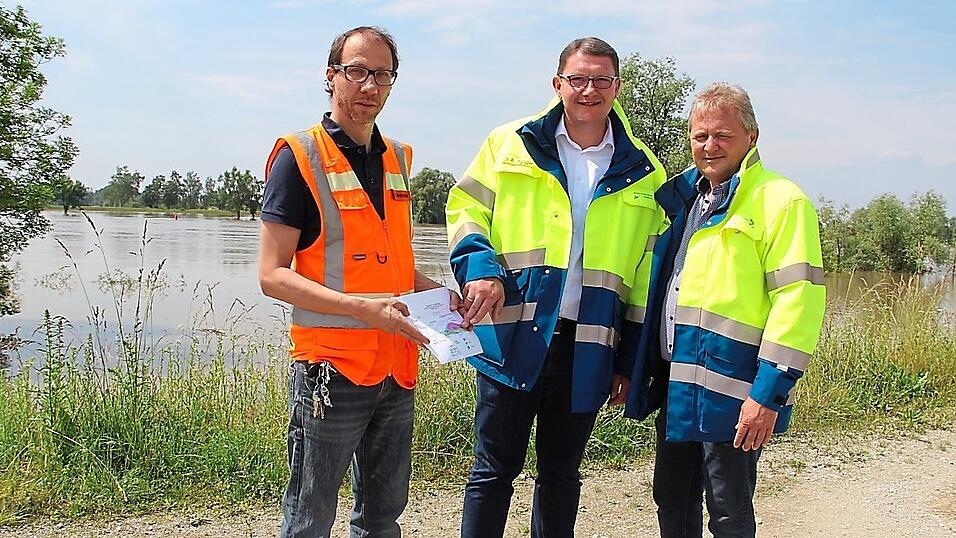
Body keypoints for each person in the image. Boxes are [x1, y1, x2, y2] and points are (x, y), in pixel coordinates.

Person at [445, 37, 668, 537]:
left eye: (601, 80)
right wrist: (479, 267)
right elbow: (465, 208)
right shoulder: (510, 143)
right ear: (557, 83)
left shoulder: (644, 170)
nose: (589, 90)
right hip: (513, 332)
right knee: (493, 470)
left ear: (617, 86)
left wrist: (629, 359)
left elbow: (644, 278)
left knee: (562, 474)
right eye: (578, 79)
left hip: (588, 344)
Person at [258, 26, 459, 538]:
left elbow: (393, 267)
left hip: (396, 365)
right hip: (330, 369)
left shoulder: (398, 158)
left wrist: (442, 297)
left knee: (382, 516)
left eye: (382, 75)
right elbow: (272, 276)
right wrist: (361, 309)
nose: (369, 85)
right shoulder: (299, 156)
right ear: (332, 77)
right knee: (309, 518)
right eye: (357, 71)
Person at [624, 82, 826, 538]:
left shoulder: (781, 201)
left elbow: (798, 302)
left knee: (728, 510)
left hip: (735, 389)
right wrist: (631, 364)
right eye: (700, 136)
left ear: (751, 137)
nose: (709, 145)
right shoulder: (684, 201)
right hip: (679, 380)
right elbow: (658, 289)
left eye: (722, 135)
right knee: (671, 497)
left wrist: (767, 395)